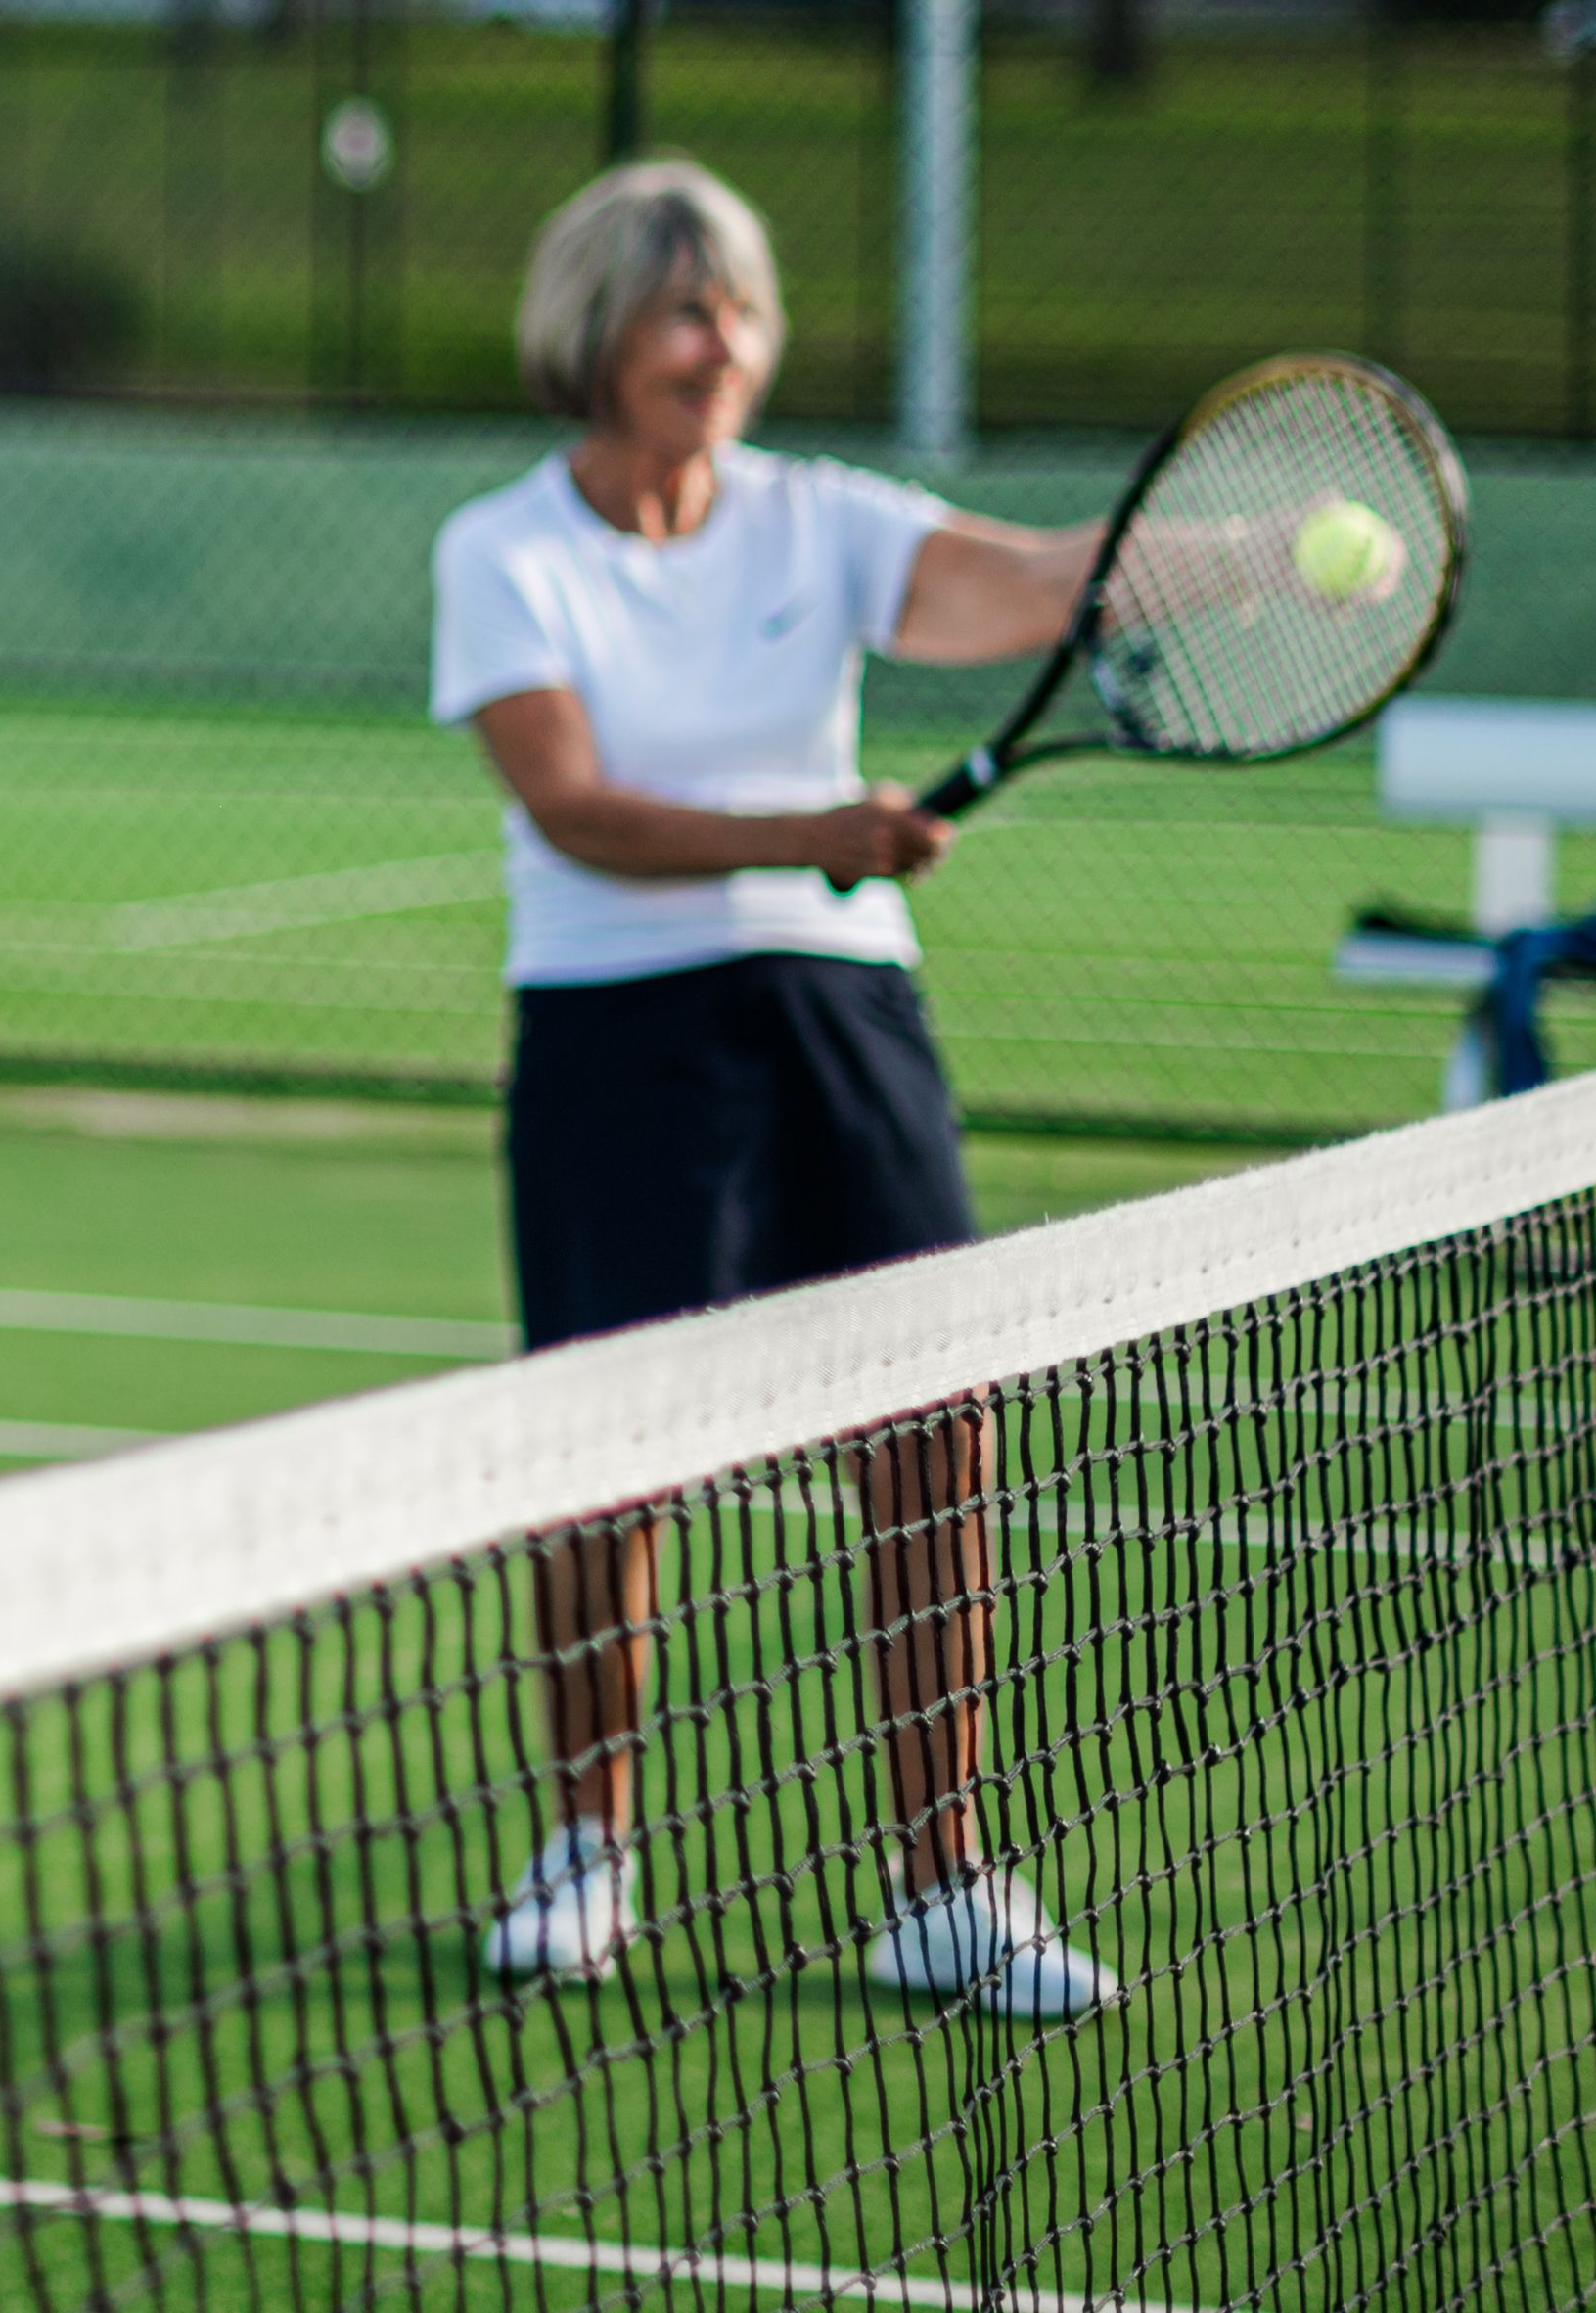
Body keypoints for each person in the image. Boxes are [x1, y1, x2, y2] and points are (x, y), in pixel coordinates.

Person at [426, 158, 1119, 2025]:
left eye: (735, 309)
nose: (716, 343)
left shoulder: (819, 520)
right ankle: (587, 1850)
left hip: (841, 1012)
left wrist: (1196, 551)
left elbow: (1036, 582)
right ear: (592, 334)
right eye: (677, 308)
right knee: (607, 1456)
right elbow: (575, 806)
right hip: (612, 1022)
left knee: (934, 1430)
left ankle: (949, 1880)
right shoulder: (506, 551)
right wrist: (819, 826)